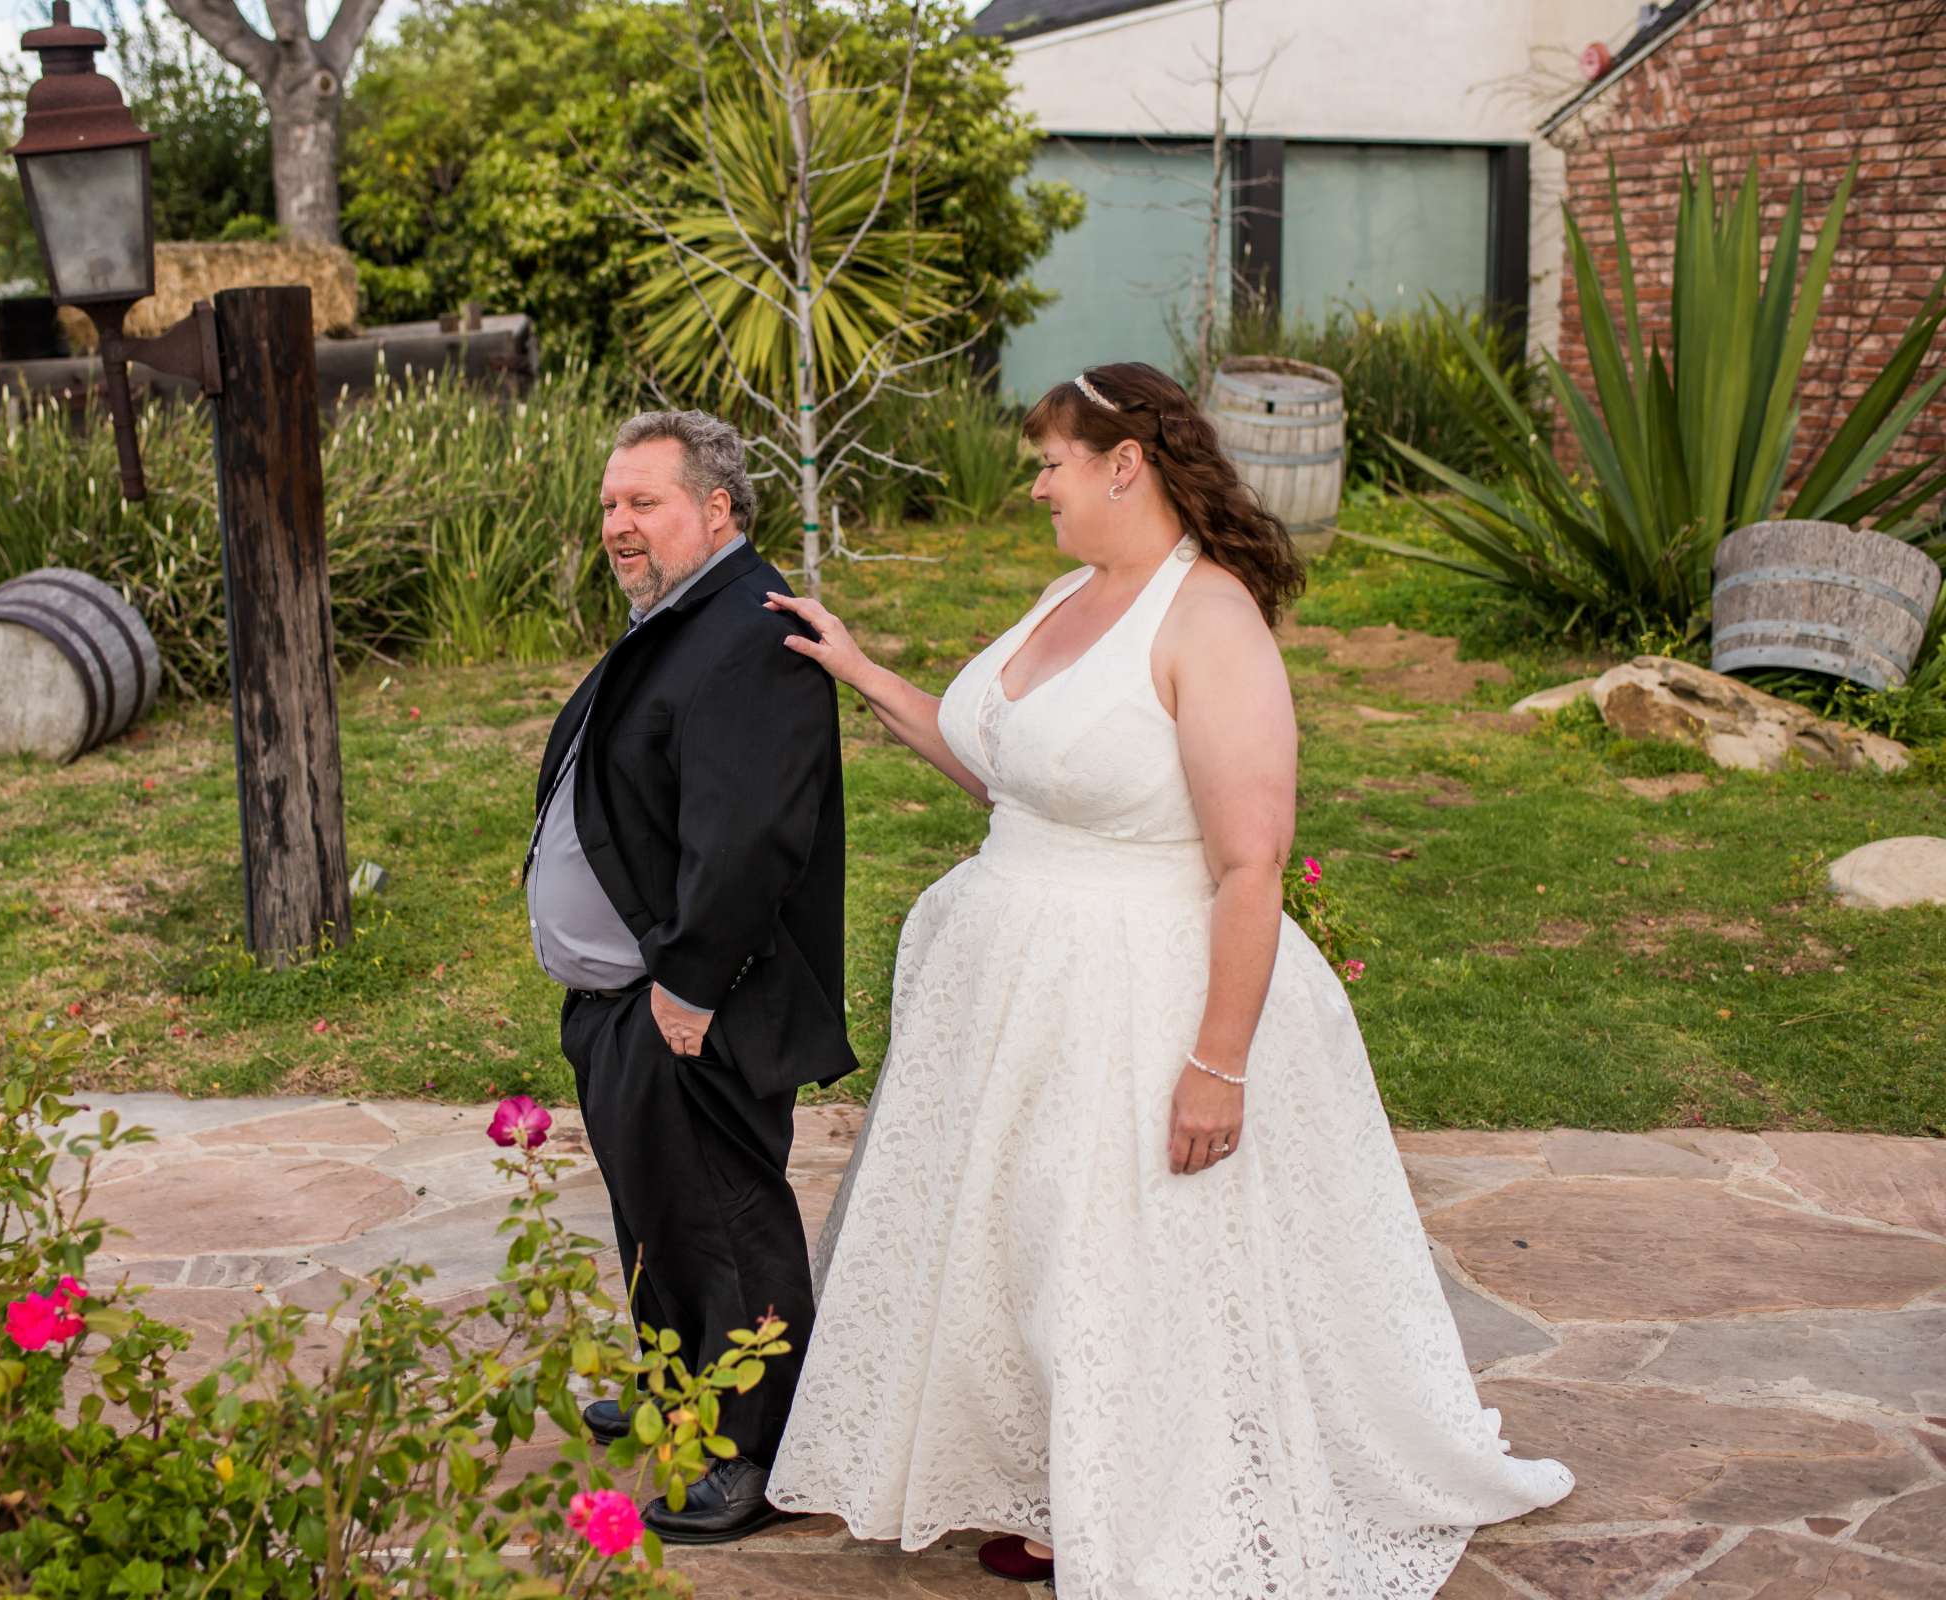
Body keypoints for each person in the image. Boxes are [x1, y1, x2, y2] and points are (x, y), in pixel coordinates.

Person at [760, 362, 1572, 1598]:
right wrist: (863, 672)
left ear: (1122, 464)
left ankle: (1137, 1504)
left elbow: (1251, 860)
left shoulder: (1210, 620)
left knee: (1115, 1262)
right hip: (1012, 984)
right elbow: (1007, 772)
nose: (1035, 485)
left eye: (1050, 462)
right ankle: (1053, 1476)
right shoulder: (1067, 594)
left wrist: (1216, 1062)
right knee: (1021, 1249)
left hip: (1138, 990)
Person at [526, 408, 857, 1544]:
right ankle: (683, 1391)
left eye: (645, 502)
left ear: (716, 509)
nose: (618, 523)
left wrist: (689, 981)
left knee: (720, 1218)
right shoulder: (682, 616)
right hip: (635, 996)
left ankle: (756, 1446)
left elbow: (751, 835)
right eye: (611, 503)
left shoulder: (748, 634)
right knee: (657, 1208)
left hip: (697, 997)